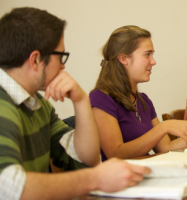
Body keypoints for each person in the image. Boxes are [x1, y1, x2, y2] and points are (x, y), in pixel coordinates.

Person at [0, 7, 150, 200]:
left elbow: (85, 158)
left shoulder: (39, 106)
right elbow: (7, 186)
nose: (63, 66)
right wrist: (94, 179)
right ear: (36, 60)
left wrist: (81, 100)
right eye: (60, 56)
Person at [89, 25, 187, 160]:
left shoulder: (143, 101)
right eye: (147, 54)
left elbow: (166, 147)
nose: (153, 61)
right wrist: (163, 127)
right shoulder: (101, 98)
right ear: (124, 58)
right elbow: (115, 154)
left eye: (152, 54)